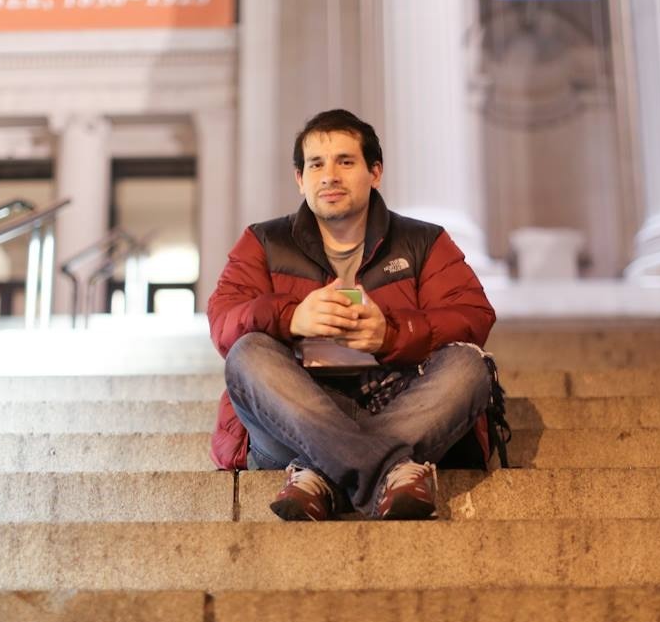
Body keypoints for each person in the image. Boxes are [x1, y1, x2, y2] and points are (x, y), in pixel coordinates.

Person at [207, 109, 496, 521]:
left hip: (401, 401)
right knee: (247, 353)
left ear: (374, 172)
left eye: (345, 161)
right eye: (316, 164)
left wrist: (392, 335)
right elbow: (223, 321)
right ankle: (389, 472)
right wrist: (291, 318)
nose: (329, 176)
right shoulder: (263, 241)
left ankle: (320, 475)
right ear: (300, 178)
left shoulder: (423, 240)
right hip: (297, 409)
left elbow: (473, 315)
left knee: (470, 364)